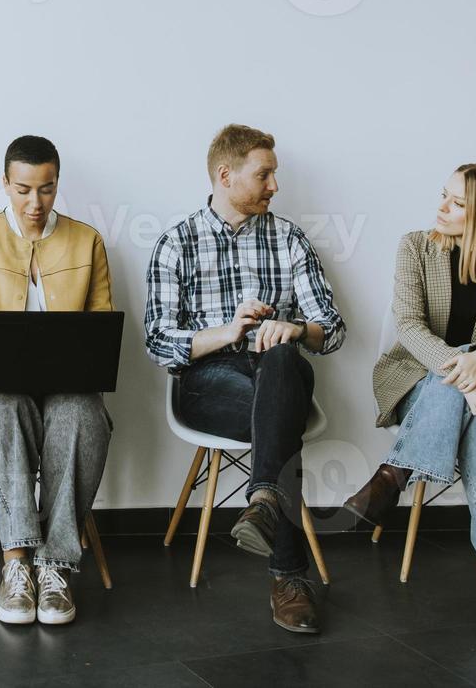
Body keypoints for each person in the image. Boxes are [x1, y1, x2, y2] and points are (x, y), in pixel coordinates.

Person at [144, 124, 345, 634]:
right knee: (278, 418)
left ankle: (262, 502)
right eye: (265, 175)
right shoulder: (176, 243)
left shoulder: (288, 238)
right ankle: (288, 575)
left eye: (274, 174)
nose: (275, 186)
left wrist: (293, 327)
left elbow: (333, 329)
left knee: (279, 361)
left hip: (280, 374)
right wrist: (228, 331)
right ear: (225, 175)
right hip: (209, 383)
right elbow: (158, 342)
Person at [342, 162, 476, 622]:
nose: (442, 207)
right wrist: (465, 373)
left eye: (457, 203)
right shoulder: (415, 248)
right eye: (443, 195)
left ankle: (393, 476)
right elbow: (410, 327)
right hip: (421, 379)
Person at [0, 135, 115, 626]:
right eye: (22, 190)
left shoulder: (87, 241)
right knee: (5, 404)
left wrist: (79, 363)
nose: (34, 203)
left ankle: (55, 565)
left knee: (83, 413)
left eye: (46, 190)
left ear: (57, 184)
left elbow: (100, 324)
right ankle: (16, 562)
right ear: (5, 183)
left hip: (65, 384)